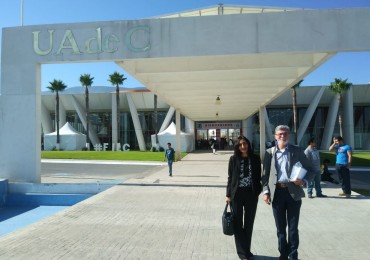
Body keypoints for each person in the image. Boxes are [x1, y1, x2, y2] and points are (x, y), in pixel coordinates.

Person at [261, 125, 314, 260]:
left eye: (284, 134)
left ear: (289, 136)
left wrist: (304, 181)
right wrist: (266, 192)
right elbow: (265, 175)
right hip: (277, 193)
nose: (282, 136)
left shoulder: (297, 151)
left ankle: (293, 255)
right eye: (279, 134)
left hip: (293, 193)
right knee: (280, 228)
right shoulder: (269, 152)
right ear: (275, 136)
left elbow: (311, 169)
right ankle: (283, 254)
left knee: (293, 227)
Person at [226, 136, 262, 260]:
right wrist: (228, 195)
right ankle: (242, 253)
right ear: (237, 146)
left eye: (245, 143)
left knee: (249, 223)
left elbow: (258, 177)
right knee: (237, 224)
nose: (243, 146)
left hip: (251, 194)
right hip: (237, 194)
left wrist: (258, 190)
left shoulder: (256, 159)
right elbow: (230, 178)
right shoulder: (233, 159)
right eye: (240, 144)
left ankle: (247, 250)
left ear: (248, 144)